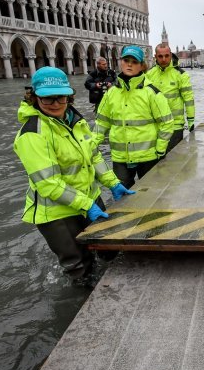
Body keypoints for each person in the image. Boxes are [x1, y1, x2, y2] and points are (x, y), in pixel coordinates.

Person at [13, 67, 134, 285]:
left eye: (60, 97)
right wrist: (86, 204)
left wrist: (112, 182)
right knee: (79, 266)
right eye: (47, 98)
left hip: (88, 199)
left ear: (69, 96)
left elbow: (94, 156)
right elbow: (48, 184)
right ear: (34, 97)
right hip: (57, 214)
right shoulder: (32, 133)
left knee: (109, 246)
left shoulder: (75, 121)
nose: (55, 103)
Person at [94, 45, 174, 188]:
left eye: (134, 61)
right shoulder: (111, 93)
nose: (129, 64)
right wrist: (91, 147)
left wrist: (160, 149)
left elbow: (167, 123)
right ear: (120, 62)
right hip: (120, 158)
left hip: (148, 156)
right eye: (126, 60)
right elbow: (101, 123)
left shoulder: (151, 92)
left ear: (142, 66)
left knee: (152, 193)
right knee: (122, 197)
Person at [145, 43, 196, 153]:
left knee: (175, 160)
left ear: (170, 55)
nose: (164, 59)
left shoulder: (181, 75)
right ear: (155, 57)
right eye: (160, 56)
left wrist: (191, 120)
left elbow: (189, 99)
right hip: (156, 126)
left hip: (175, 126)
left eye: (167, 56)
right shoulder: (149, 75)